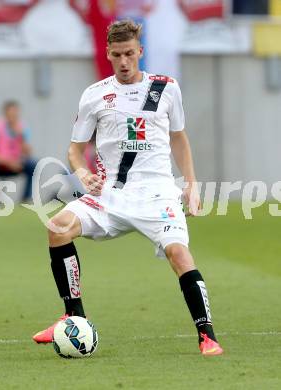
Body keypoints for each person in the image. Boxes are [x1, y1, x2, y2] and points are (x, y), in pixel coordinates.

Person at [33, 20, 223, 356]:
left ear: (141, 52)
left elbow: (179, 138)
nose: (123, 61)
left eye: (130, 54)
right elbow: (75, 149)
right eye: (117, 54)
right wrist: (81, 172)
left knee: (179, 254)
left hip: (158, 194)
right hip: (111, 194)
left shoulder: (166, 88)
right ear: (108, 53)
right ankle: (74, 318)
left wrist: (191, 185)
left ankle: (206, 334)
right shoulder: (94, 95)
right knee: (57, 227)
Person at [0, 100, 36, 201]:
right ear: (5, 114)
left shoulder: (22, 128)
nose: (13, 117)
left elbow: (28, 153)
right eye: (10, 114)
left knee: (33, 163)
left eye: (15, 114)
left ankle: (26, 198)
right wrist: (8, 162)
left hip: (16, 164)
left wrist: (21, 137)